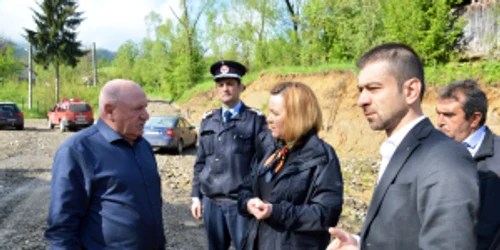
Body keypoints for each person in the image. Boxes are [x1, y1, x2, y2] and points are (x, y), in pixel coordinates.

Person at [327, 43, 479, 250]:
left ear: (410, 91)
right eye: (361, 90)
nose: (361, 100)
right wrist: (360, 241)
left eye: (373, 88)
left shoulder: (445, 157)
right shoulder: (398, 150)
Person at [45, 79, 166, 250]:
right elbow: (62, 227)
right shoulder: (78, 151)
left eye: (145, 107)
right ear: (110, 111)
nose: (146, 115)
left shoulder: (143, 146)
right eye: (137, 109)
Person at [237, 81, 343, 250]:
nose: (268, 119)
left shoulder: (322, 156)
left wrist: (276, 212)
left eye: (275, 113)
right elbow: (245, 188)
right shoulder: (267, 144)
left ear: (297, 116)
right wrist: (248, 203)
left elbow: (325, 215)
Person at [190, 60, 267, 250]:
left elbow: (263, 163)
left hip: (240, 205)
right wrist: (195, 196)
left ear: (241, 87)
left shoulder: (255, 120)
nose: (225, 88)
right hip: (211, 203)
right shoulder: (208, 120)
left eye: (230, 84)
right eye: (220, 84)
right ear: (216, 89)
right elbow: (200, 161)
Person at [436, 79, 500, 250]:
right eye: (438, 113)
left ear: (474, 119)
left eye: (449, 115)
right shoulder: (430, 152)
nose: (440, 122)